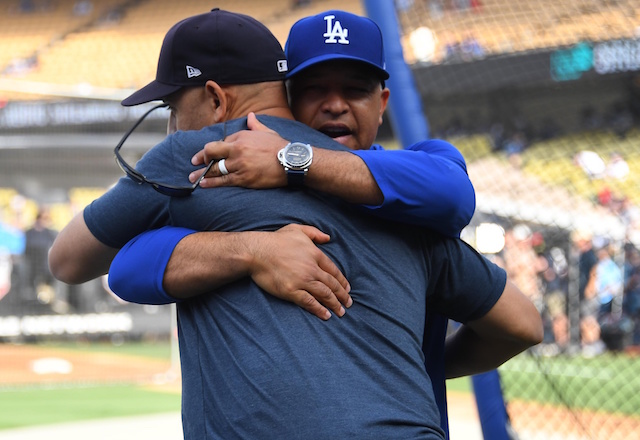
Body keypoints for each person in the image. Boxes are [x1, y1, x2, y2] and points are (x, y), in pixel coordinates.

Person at [49, 9, 542, 439]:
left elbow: (73, 261)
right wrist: (254, 251)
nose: (334, 105)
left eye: (355, 89)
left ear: (217, 100)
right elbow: (521, 324)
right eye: (314, 89)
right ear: (286, 92)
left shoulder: (200, 155)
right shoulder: (412, 208)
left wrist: (292, 159)